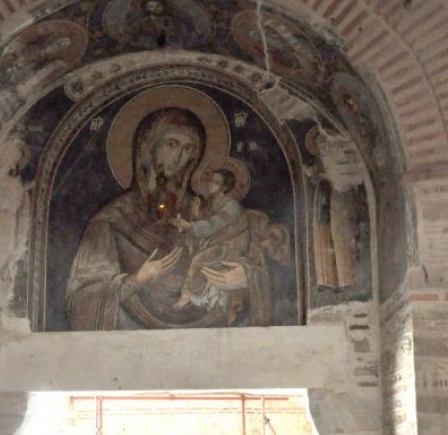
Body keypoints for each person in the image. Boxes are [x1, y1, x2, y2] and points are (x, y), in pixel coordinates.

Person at [65, 100, 291, 329]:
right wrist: (138, 280)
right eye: (171, 144)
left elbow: (233, 244)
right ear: (148, 147)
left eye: (188, 149)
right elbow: (82, 298)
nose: (177, 157)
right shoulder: (112, 220)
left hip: (212, 328)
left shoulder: (201, 209)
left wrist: (248, 277)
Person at [172, 166, 248, 323]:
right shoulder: (211, 204)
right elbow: (206, 224)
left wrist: (190, 225)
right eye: (210, 181)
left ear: (224, 187)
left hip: (230, 247)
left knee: (198, 259)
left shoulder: (231, 205)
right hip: (215, 243)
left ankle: (186, 294)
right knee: (190, 254)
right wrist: (196, 214)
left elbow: (214, 225)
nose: (210, 185)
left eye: (216, 182)